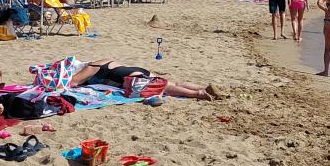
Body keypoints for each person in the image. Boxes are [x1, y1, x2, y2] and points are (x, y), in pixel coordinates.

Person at [67, 59, 225, 100]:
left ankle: (198, 93)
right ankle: (204, 87)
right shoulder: (103, 61)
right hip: (137, 70)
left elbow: (74, 81)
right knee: (171, 83)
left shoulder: (92, 67)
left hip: (131, 78)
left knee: (165, 88)